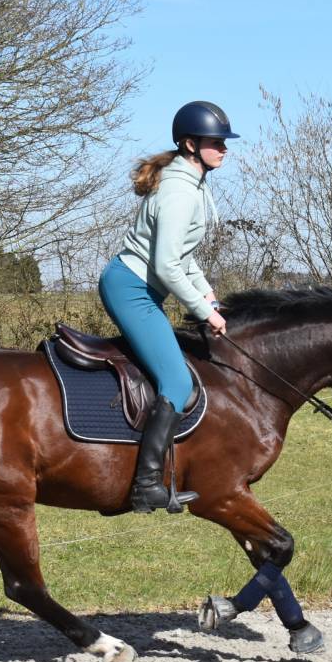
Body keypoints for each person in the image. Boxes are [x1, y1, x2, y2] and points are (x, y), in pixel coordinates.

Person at [99, 100, 237, 513]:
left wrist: (207, 294)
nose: (224, 149)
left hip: (141, 286)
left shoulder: (190, 183)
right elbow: (165, 265)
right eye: (217, 142)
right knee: (177, 383)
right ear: (191, 144)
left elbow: (181, 257)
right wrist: (203, 311)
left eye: (225, 142)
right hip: (132, 288)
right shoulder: (180, 191)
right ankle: (145, 486)